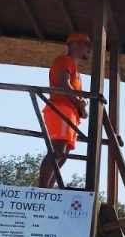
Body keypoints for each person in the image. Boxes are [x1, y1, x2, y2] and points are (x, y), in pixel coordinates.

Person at [38, 32, 92, 188]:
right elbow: (64, 84)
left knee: (63, 154)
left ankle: (47, 191)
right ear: (73, 45)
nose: (88, 49)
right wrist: (80, 103)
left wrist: (81, 108)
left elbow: (75, 96)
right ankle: (41, 191)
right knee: (58, 150)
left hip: (71, 114)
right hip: (60, 109)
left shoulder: (75, 69)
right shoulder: (64, 60)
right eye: (85, 45)